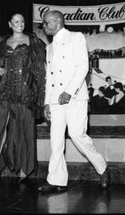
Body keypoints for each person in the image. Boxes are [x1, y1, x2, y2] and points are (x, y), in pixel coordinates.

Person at [38, 10, 111, 193]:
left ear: (57, 21)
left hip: (74, 97)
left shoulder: (76, 37)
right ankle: (56, 180)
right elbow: (49, 76)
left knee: (77, 135)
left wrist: (69, 92)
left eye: (46, 23)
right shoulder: (49, 47)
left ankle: (102, 168)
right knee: (56, 141)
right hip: (55, 100)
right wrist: (47, 102)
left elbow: (83, 66)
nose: (44, 26)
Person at [0, 12, 46, 183]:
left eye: (22, 21)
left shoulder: (33, 40)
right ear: (9, 24)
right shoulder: (2, 42)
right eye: (16, 21)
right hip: (5, 89)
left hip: (25, 91)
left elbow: (40, 66)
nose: (20, 24)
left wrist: (39, 91)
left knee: (25, 129)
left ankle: (25, 168)